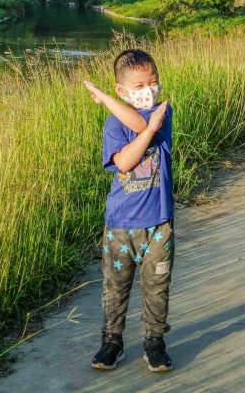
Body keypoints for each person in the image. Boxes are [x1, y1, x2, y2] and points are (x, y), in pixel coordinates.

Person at [82, 49, 175, 373]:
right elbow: (124, 161)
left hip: (158, 223)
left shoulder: (161, 113)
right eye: (139, 85)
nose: (148, 90)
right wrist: (111, 103)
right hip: (120, 222)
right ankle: (112, 341)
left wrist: (107, 99)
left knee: (157, 287)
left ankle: (154, 342)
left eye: (153, 82)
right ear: (122, 91)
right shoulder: (112, 125)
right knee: (116, 286)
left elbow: (139, 123)